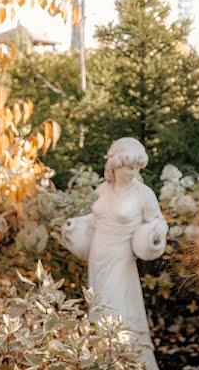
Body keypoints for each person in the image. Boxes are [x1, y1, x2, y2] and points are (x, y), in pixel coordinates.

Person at [62, 137, 168, 370]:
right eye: (129, 168)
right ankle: (101, 360)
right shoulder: (105, 189)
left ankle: (126, 363)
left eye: (136, 168)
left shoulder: (143, 193)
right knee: (98, 308)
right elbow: (96, 217)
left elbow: (158, 220)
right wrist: (75, 224)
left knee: (119, 309)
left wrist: (155, 233)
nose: (133, 172)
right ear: (115, 166)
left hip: (120, 262)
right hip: (98, 257)